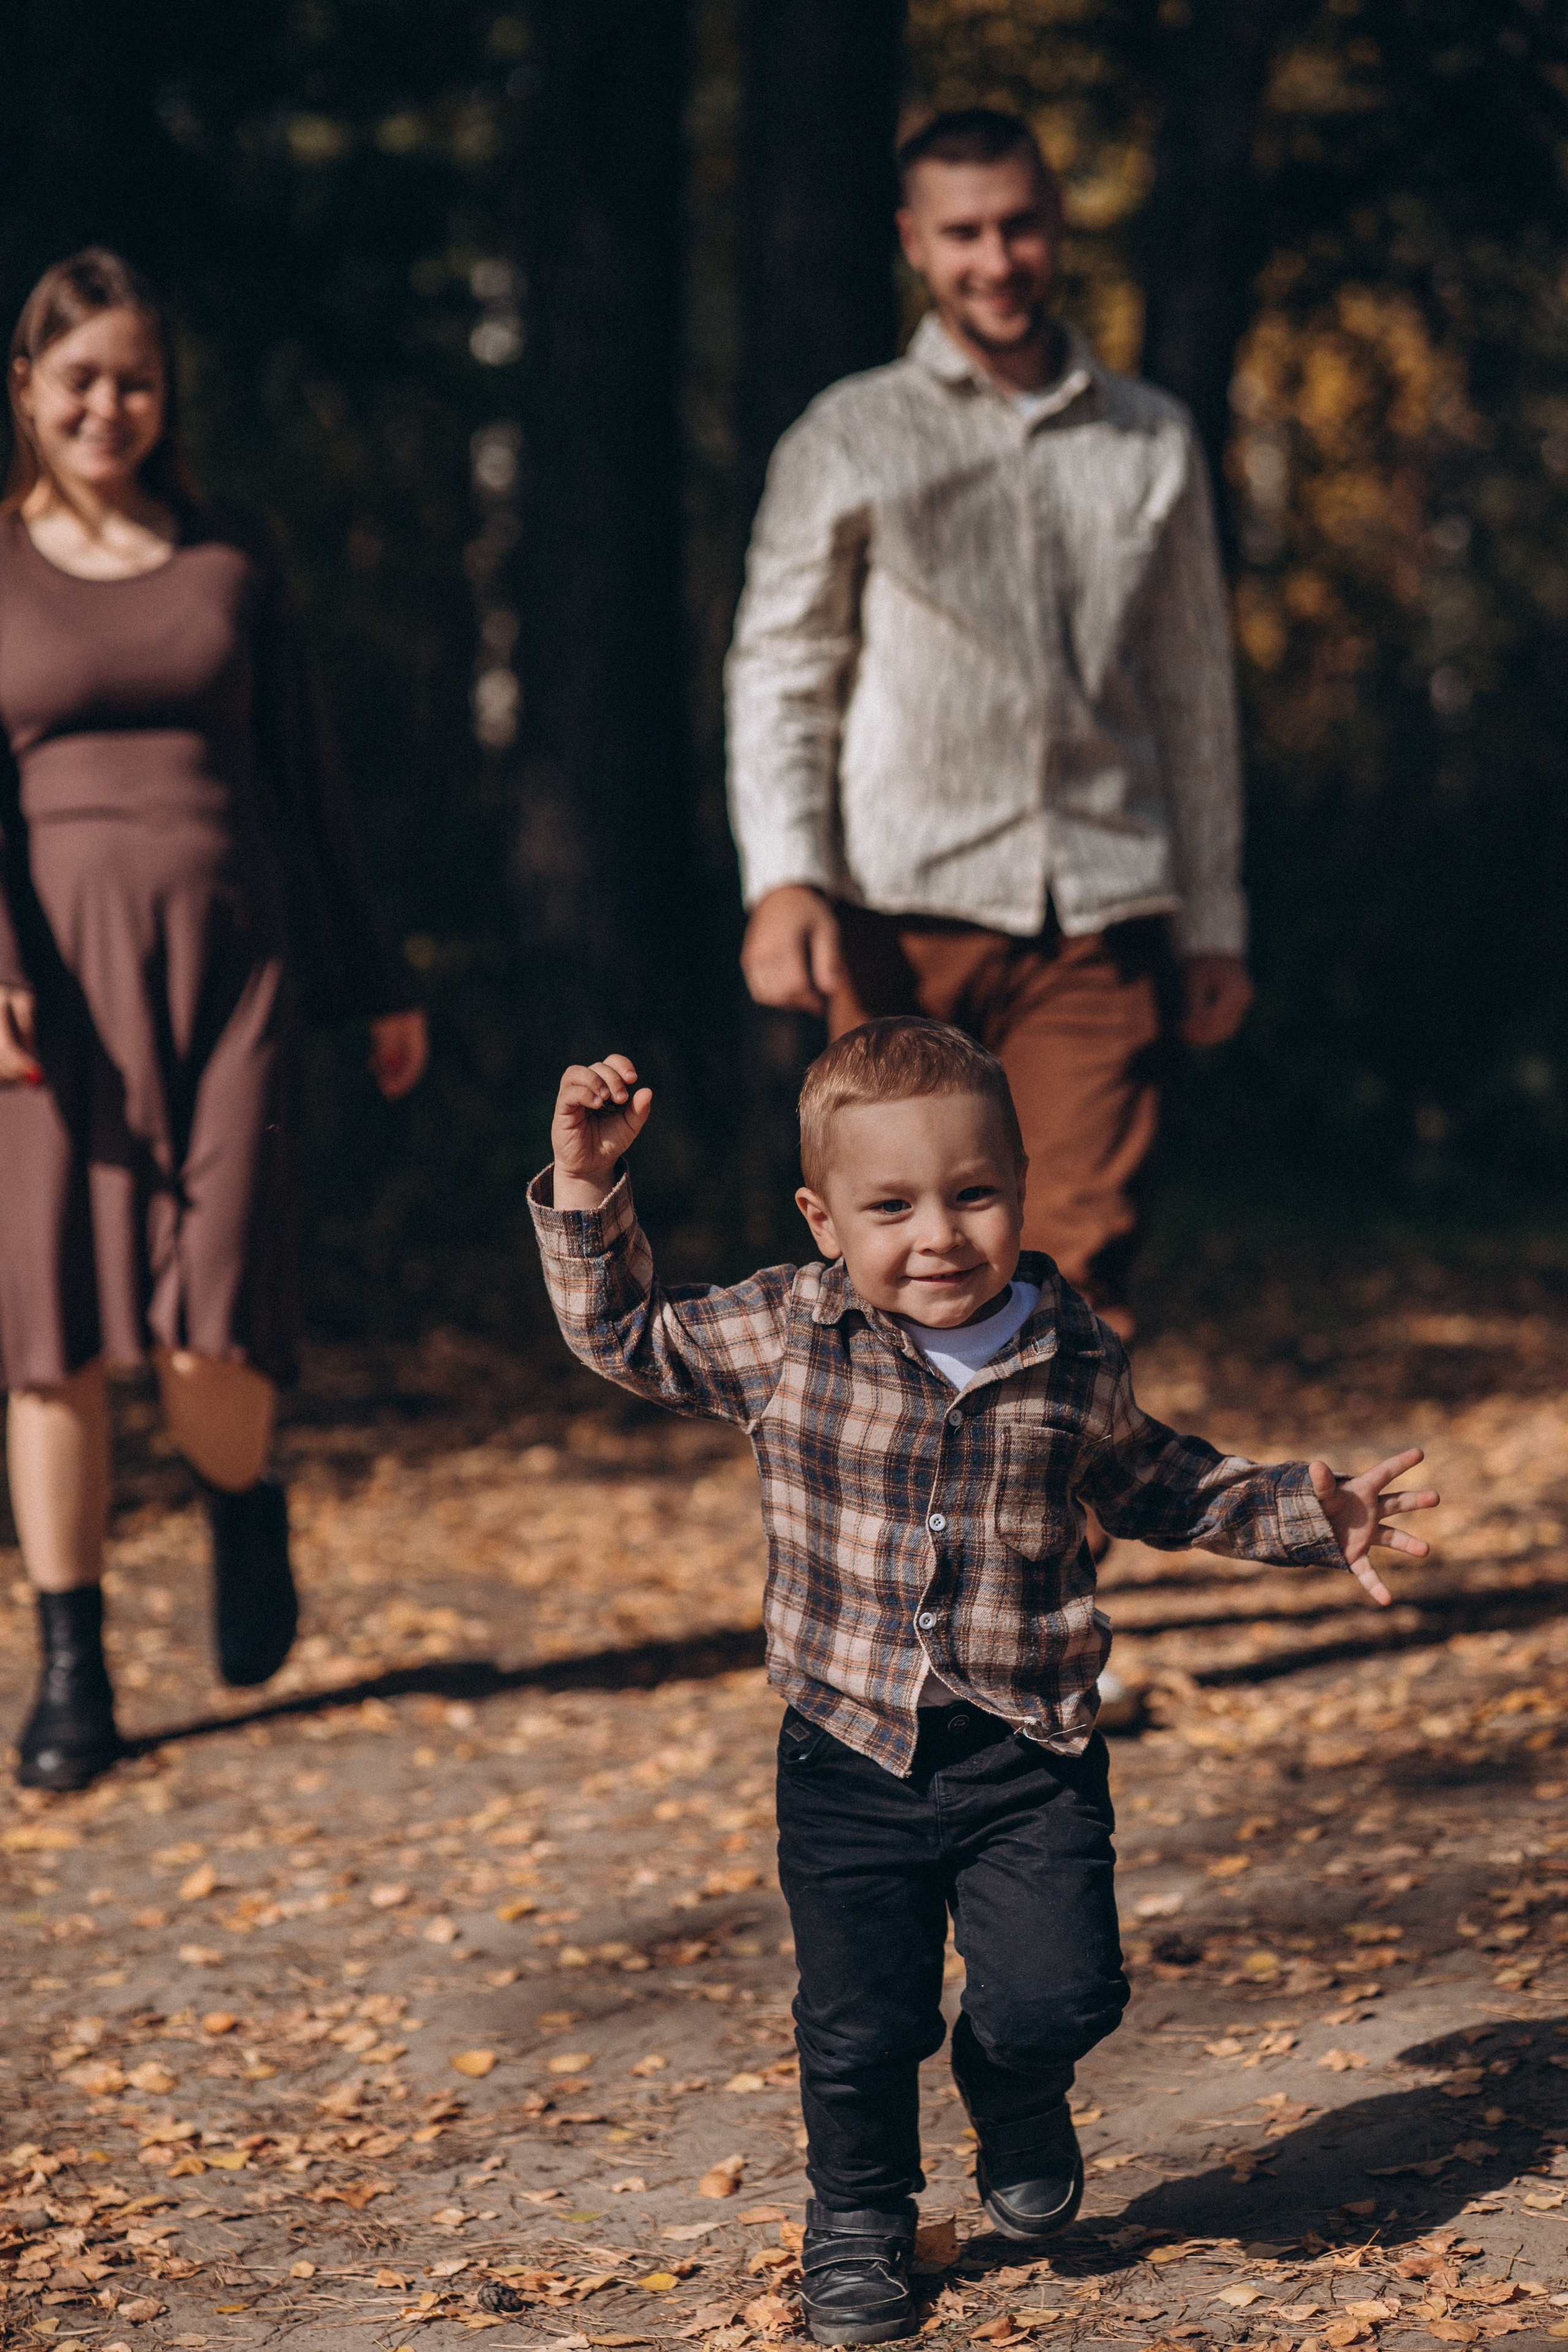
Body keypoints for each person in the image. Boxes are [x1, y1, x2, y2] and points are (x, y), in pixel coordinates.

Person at [531, 1020, 1437, 2346]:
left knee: (1061, 1994)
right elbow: (622, 1334)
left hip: (1029, 1751)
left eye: (971, 1195)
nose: (938, 1235)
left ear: (1018, 1182)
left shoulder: (1067, 1347)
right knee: (855, 2021)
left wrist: (1310, 1510)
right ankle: (858, 2221)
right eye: (889, 1206)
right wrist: (585, 1189)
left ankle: (1011, 2082)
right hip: (845, 1754)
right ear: (823, 1219)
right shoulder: (789, 1328)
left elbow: (1156, 1482)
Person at [0, 249, 428, 1792]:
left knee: (210, 1321)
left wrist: (372, 975)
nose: (107, 405)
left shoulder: (233, 556)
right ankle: (73, 1669)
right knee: (49, 1339)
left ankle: (242, 1501)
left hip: (232, 972)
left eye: (136, 380)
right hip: (42, 990)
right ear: (27, 392)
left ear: (164, 397)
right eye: (79, 379)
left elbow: (308, 780)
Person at [727, 107, 1253, 1338]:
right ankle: (916, 1534)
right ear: (914, 242)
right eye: (962, 233)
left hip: (1101, 912)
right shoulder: (847, 432)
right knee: (907, 1266)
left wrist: (1213, 918)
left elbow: (1191, 691)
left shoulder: (1149, 439)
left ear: (1054, 227)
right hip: (898, 906)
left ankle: (1043, 1541)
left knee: (1075, 1281)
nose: (995, 258)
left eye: (1018, 226)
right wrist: (783, 877)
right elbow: (781, 667)